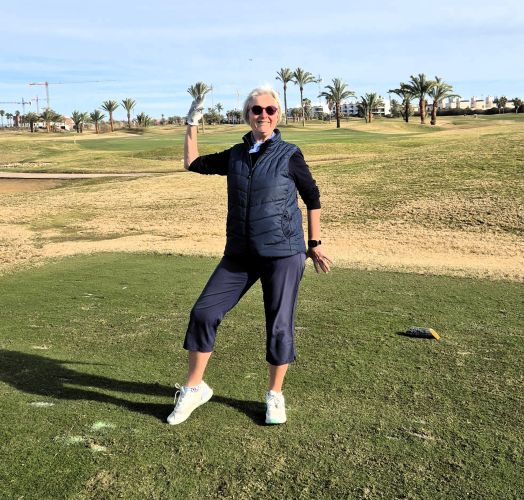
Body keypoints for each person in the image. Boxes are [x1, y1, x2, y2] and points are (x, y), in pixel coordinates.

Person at [167, 86, 332, 426]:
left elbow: (312, 197)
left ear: (278, 115)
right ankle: (194, 389)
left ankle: (274, 395)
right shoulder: (236, 155)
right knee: (203, 312)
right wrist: (192, 122)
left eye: (270, 110)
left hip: (283, 252)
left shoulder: (289, 154)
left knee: (279, 325)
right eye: (257, 110)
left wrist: (313, 242)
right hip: (240, 253)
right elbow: (192, 163)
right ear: (247, 115)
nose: (264, 115)